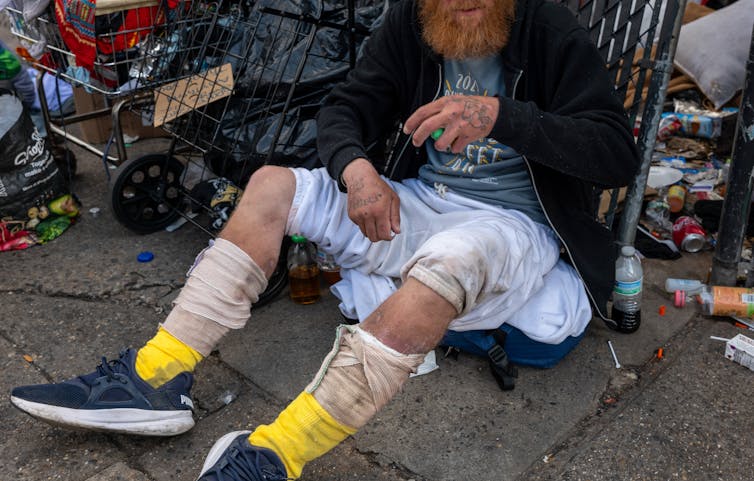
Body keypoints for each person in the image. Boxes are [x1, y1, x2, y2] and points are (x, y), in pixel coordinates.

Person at [10, 0, 639, 478]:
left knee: (449, 266)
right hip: (422, 202)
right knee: (271, 184)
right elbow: (346, 107)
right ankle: (152, 379)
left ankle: (276, 454)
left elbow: (616, 154)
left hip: (514, 225)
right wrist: (356, 172)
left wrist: (502, 116)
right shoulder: (412, 24)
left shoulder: (551, 32)